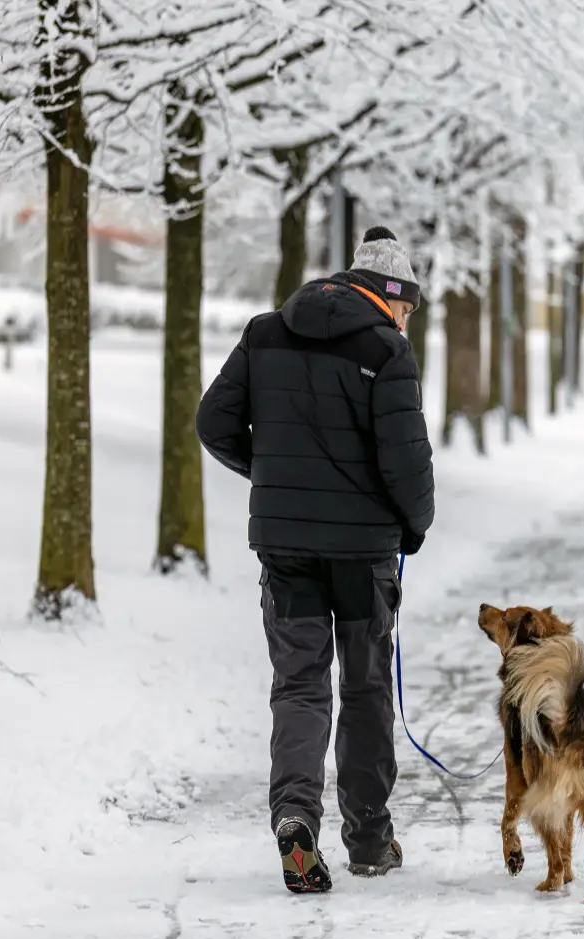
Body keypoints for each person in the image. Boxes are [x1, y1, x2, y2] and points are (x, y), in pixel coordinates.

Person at [196, 227, 434, 894]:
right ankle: (367, 839)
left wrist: (276, 481)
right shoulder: (386, 350)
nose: (407, 321)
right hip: (362, 554)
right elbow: (407, 463)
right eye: (408, 308)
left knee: (299, 685)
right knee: (364, 689)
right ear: (390, 296)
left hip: (287, 549)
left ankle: (295, 816)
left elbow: (214, 423)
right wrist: (412, 526)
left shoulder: (265, 333)